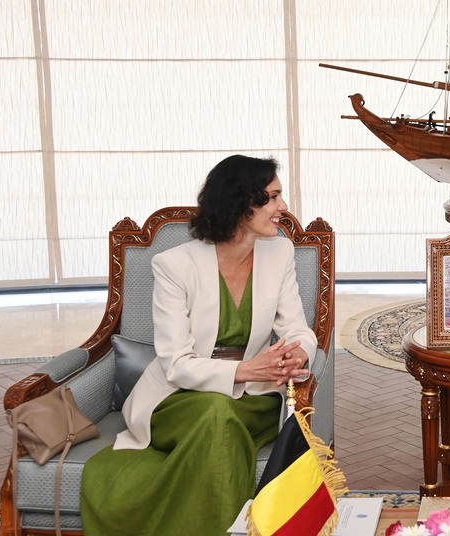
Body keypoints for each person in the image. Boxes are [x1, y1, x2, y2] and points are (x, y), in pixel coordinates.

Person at [80, 155, 317, 535]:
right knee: (216, 415)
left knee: (221, 419)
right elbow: (175, 362)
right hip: (177, 397)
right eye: (273, 197)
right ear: (241, 204)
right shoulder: (174, 265)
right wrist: (245, 369)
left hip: (255, 399)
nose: (284, 207)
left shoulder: (280, 253)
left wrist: (299, 350)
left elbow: (296, 327)